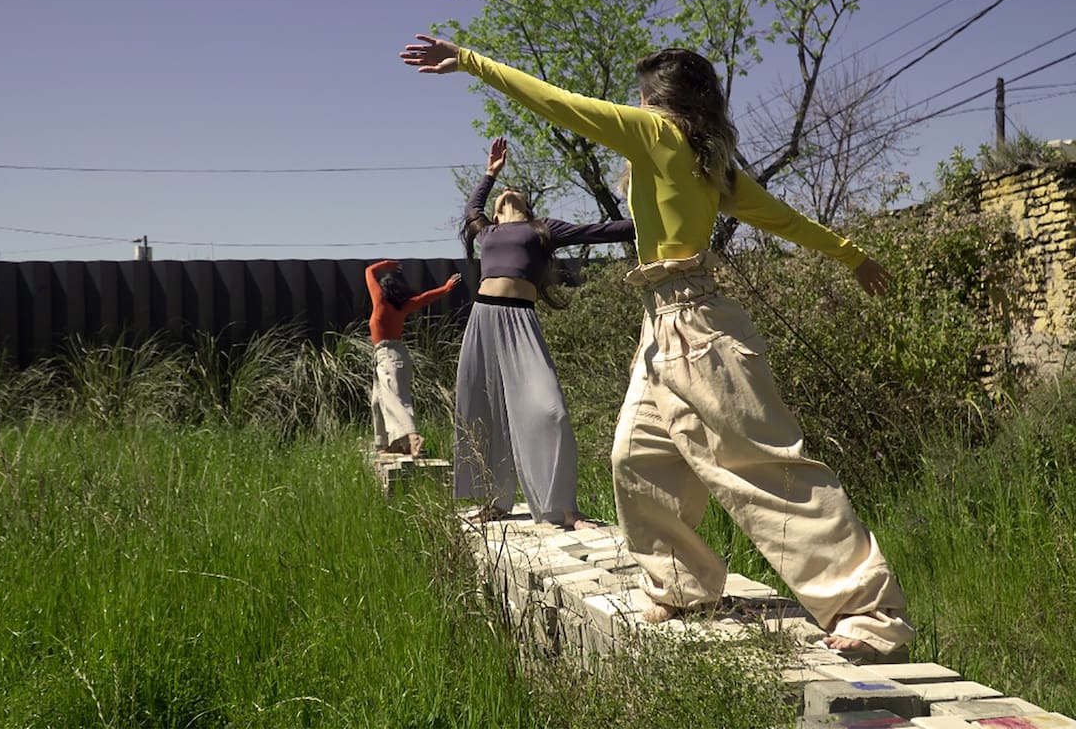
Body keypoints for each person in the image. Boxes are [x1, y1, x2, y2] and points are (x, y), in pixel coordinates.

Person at [401, 35, 914, 659]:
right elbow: (784, 219)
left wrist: (473, 61)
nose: (634, 106)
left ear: (660, 101)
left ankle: (870, 614)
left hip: (696, 325)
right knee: (638, 459)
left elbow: (560, 104)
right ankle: (682, 585)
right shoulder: (705, 161)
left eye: (642, 97)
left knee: (762, 466)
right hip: (661, 324)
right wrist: (851, 257)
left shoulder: (661, 136)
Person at [453, 136, 635, 531]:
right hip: (483, 320)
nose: (506, 193)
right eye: (500, 196)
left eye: (510, 191)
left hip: (520, 322)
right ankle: (494, 501)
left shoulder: (542, 229)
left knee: (551, 411)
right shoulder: (486, 233)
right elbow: (471, 209)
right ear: (495, 216)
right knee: (484, 410)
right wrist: (489, 175)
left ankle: (566, 511)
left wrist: (651, 222)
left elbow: (598, 230)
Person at [366, 259, 461, 457]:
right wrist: (445, 288)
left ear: (383, 291)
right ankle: (386, 445)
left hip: (388, 357)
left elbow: (369, 271)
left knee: (394, 399)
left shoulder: (380, 302)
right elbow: (426, 298)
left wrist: (386, 264)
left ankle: (412, 436)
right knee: (377, 401)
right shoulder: (403, 306)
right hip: (392, 356)